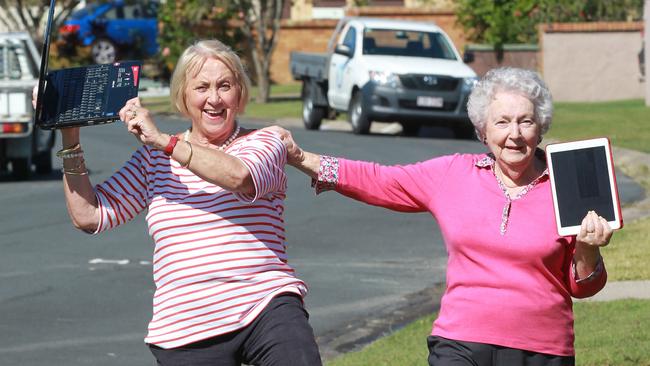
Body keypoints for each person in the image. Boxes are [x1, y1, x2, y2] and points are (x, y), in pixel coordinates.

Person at [272, 67, 612, 365]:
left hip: (542, 349)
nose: (515, 134)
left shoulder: (566, 182)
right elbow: (380, 179)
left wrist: (588, 249)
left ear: (540, 128)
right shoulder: (453, 174)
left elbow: (583, 287)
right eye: (502, 122)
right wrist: (302, 158)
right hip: (460, 342)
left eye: (526, 121)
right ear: (483, 130)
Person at [44, 39, 322, 366]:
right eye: (201, 87)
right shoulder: (153, 160)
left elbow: (239, 177)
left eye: (225, 86)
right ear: (183, 96)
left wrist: (163, 141)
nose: (214, 99)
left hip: (264, 304)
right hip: (186, 326)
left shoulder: (265, 141)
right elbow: (90, 215)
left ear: (240, 93)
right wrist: (70, 138)